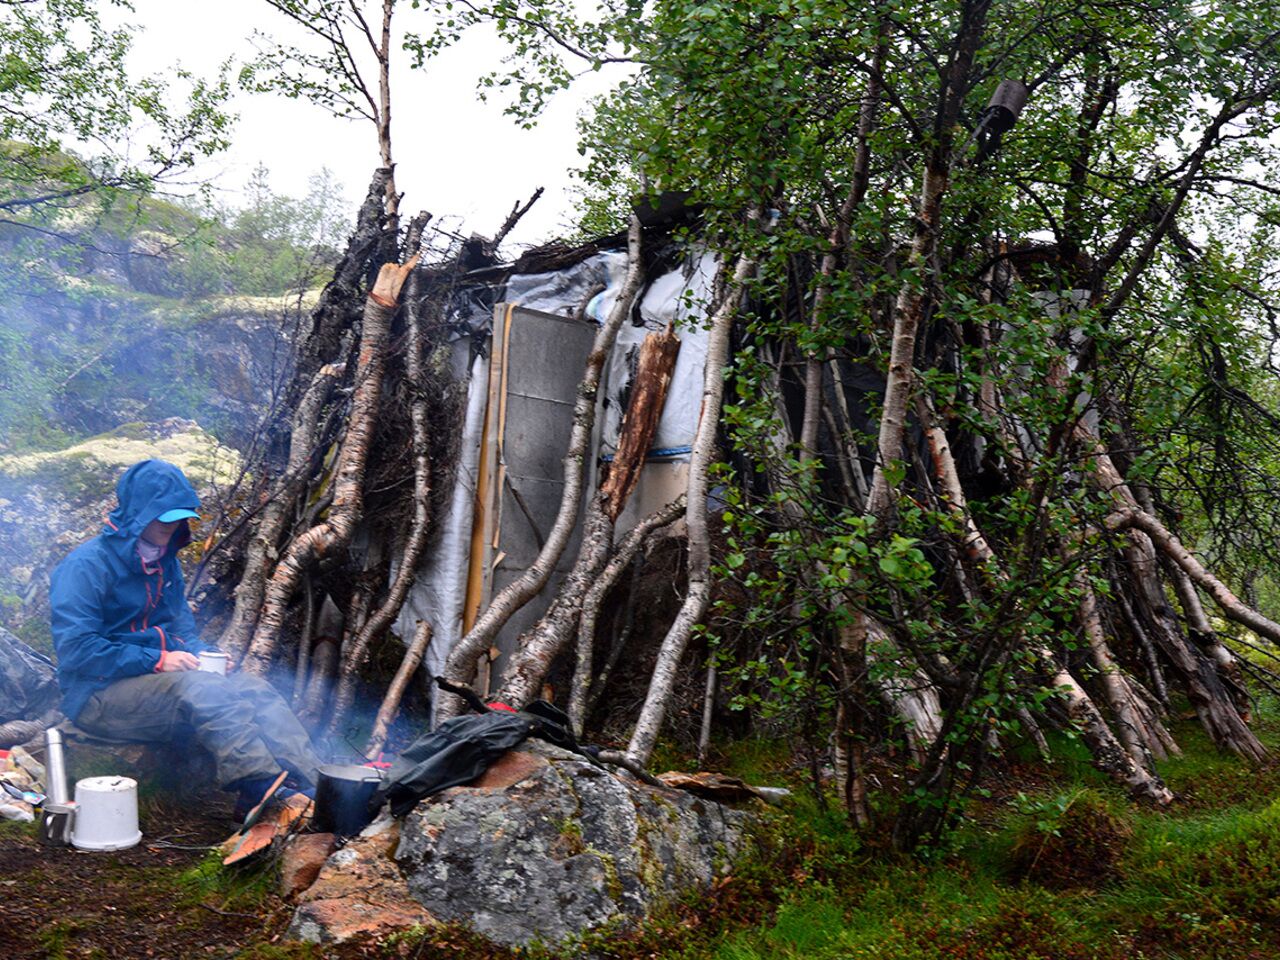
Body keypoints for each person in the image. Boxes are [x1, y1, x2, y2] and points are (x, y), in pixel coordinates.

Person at [49, 459, 321, 818]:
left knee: (253, 688)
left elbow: (180, 631)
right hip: (97, 696)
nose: (172, 523)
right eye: (162, 514)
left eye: (178, 515)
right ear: (138, 512)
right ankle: (260, 790)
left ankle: (316, 785)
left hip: (153, 687)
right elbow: (76, 650)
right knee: (200, 690)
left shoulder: (166, 563)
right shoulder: (85, 566)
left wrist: (204, 655)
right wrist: (157, 660)